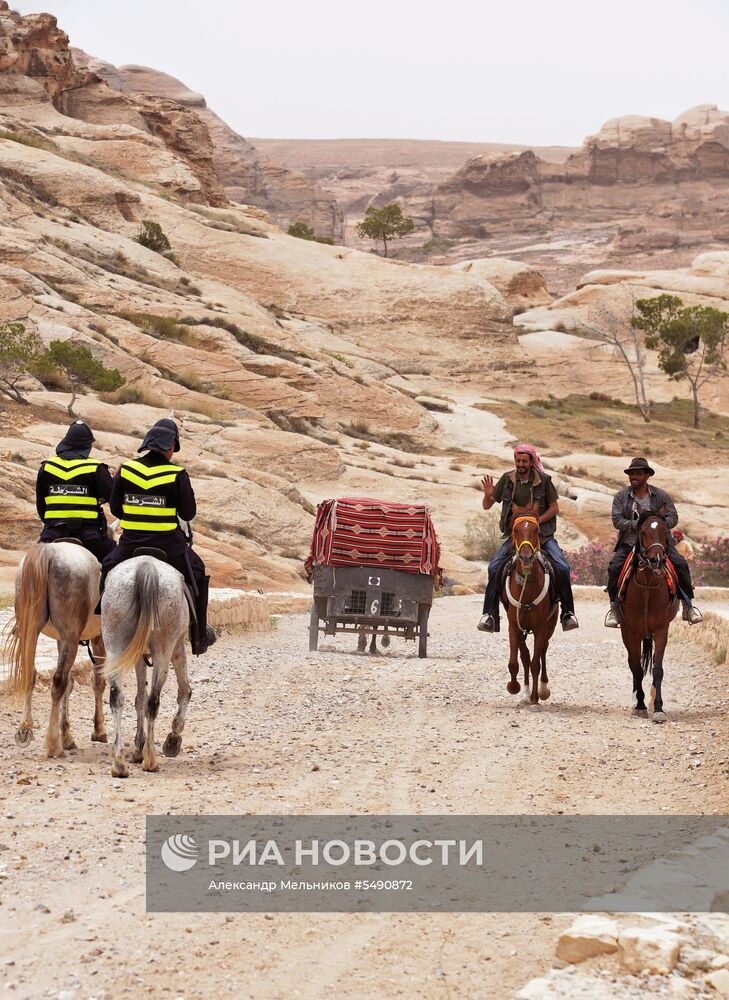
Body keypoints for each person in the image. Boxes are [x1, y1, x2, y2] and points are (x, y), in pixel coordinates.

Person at [99, 417, 216, 655]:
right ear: (171, 446)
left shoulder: (126, 469)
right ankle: (199, 634)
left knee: (107, 569)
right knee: (198, 572)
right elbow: (188, 512)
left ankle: (104, 623)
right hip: (169, 546)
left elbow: (116, 509)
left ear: (147, 443)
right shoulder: (177, 473)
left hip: (130, 545)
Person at [477, 444, 579, 633]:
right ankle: (490, 615)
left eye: (524, 461)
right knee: (493, 567)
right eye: (518, 461)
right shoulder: (507, 480)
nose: (520, 464)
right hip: (515, 537)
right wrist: (488, 495)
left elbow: (554, 507)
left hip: (542, 536)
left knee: (563, 567)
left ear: (531, 462)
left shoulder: (544, 480)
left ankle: (567, 613)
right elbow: (486, 506)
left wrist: (536, 522)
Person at [604, 457, 702, 627]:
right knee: (614, 568)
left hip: (659, 543)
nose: (634, 477)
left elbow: (673, 516)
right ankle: (614, 608)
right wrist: (641, 525)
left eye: (638, 473)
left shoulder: (661, 495)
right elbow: (617, 521)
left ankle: (688, 606)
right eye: (631, 473)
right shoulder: (621, 497)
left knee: (680, 563)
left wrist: (658, 527)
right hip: (629, 543)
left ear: (647, 475)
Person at [36, 419, 115, 563]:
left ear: (66, 442)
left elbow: (41, 508)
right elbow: (113, 500)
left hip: (53, 533)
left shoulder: (46, 467)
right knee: (113, 562)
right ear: (87, 446)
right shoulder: (96, 468)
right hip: (90, 535)